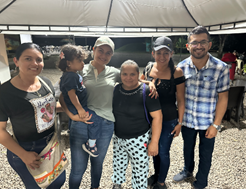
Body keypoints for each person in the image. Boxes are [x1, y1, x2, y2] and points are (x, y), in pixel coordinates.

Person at [60, 37, 156, 189]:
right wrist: (72, 116)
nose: (104, 55)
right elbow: (62, 96)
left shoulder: (114, 72)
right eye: (101, 51)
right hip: (80, 124)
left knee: (97, 164)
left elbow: (131, 79)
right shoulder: (79, 70)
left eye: (108, 53)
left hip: (105, 125)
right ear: (94, 50)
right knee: (78, 168)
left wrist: (149, 83)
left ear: (112, 55)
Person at [0, 43, 66, 189]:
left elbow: (48, 109)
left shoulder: (46, 82)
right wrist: (23, 154)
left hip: (51, 144)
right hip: (26, 149)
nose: (35, 64)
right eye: (28, 59)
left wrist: (74, 110)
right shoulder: (4, 93)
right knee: (37, 186)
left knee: (58, 181)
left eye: (39, 60)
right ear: (16, 61)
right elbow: (1, 130)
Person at [173, 26, 230, 189]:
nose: (199, 46)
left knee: (206, 154)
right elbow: (179, 95)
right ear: (188, 46)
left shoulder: (221, 68)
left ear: (209, 44)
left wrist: (216, 124)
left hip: (208, 121)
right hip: (188, 120)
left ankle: (202, 180)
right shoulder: (181, 67)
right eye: (195, 42)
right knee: (187, 148)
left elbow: (223, 98)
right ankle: (187, 171)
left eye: (203, 42)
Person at [140, 36, 185, 189]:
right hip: (150, 119)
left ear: (171, 54)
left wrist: (180, 123)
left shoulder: (176, 72)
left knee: (163, 151)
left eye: (166, 53)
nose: (162, 56)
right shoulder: (148, 68)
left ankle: (161, 182)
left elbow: (181, 99)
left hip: (168, 119)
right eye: (159, 53)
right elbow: (137, 83)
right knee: (154, 148)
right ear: (153, 53)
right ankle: (156, 174)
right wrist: (149, 82)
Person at [111, 60, 163, 189]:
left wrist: (154, 142)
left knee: (140, 170)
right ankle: (117, 183)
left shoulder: (147, 92)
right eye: (125, 74)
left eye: (132, 74)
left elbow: (158, 117)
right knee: (118, 163)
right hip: (118, 138)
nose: (128, 78)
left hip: (139, 139)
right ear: (120, 74)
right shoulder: (115, 89)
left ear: (138, 74)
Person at [58, 44, 102, 157]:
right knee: (95, 119)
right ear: (69, 63)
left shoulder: (69, 75)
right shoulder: (72, 76)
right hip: (77, 108)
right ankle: (91, 145)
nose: (83, 63)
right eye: (80, 60)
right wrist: (80, 109)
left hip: (76, 107)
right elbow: (71, 94)